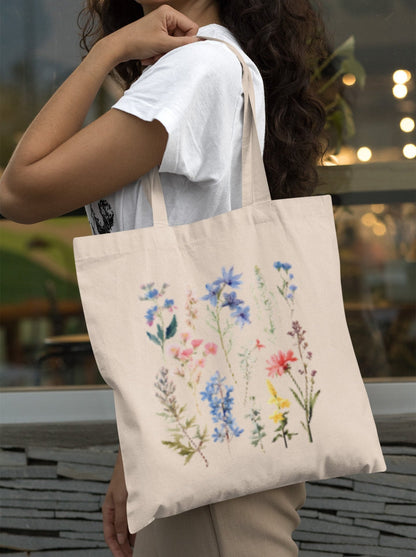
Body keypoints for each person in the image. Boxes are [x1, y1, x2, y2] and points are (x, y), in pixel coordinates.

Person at [0, 1, 329, 555]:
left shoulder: (195, 70)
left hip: (213, 455)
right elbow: (186, 292)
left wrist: (109, 50)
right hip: (205, 434)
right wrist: (139, 448)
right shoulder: (216, 65)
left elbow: (19, 191)